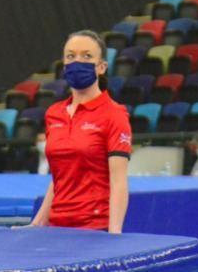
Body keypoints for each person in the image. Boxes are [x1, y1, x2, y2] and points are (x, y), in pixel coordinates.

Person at [23, 30, 130, 233]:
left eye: (87, 56)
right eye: (71, 56)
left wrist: (115, 236)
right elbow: (60, 178)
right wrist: (37, 223)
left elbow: (119, 182)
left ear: (101, 67)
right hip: (57, 228)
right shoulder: (54, 114)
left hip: (94, 228)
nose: (77, 61)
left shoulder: (114, 114)